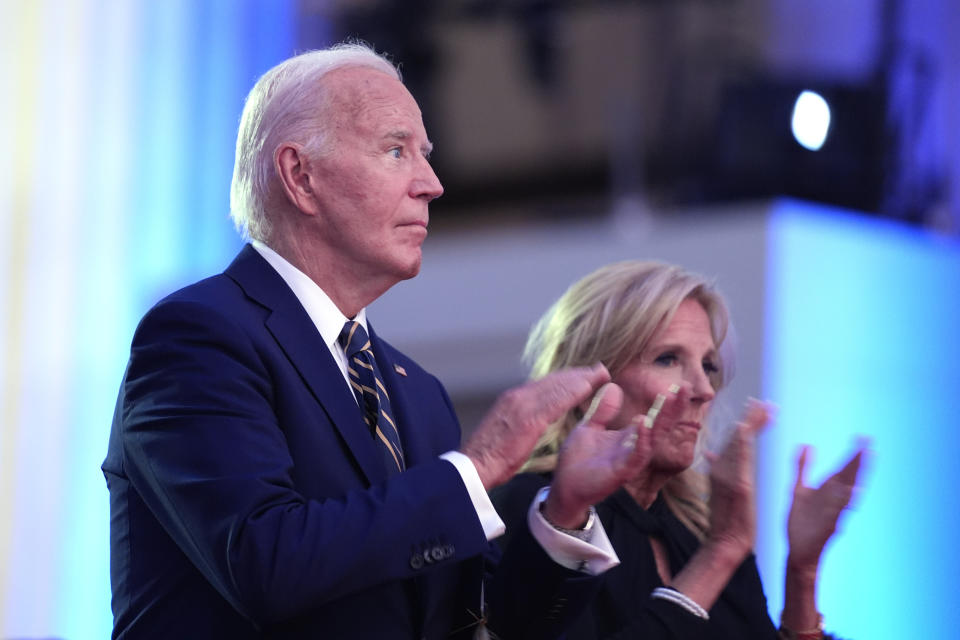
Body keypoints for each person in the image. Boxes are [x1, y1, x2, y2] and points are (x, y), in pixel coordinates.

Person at [102, 43, 652, 639]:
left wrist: (563, 511)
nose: (433, 185)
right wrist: (482, 462)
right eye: (396, 150)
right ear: (300, 176)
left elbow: (473, 620)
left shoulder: (421, 394)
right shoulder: (199, 336)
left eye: (426, 155)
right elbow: (264, 563)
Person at [491, 260, 868, 639]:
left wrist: (802, 572)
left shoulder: (697, 525)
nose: (703, 389)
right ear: (589, 379)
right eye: (668, 359)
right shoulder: (537, 513)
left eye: (708, 365)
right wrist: (718, 556)